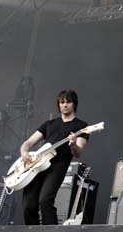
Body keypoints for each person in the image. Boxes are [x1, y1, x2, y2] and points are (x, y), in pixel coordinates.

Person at [20, 90, 89, 225]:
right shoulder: (49, 124)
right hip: (37, 165)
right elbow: (28, 143)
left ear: (74, 104)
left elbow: (78, 152)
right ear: (58, 105)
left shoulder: (81, 126)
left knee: (45, 200)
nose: (65, 105)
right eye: (62, 102)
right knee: (28, 205)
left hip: (58, 165)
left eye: (68, 102)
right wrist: (24, 152)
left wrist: (73, 144)